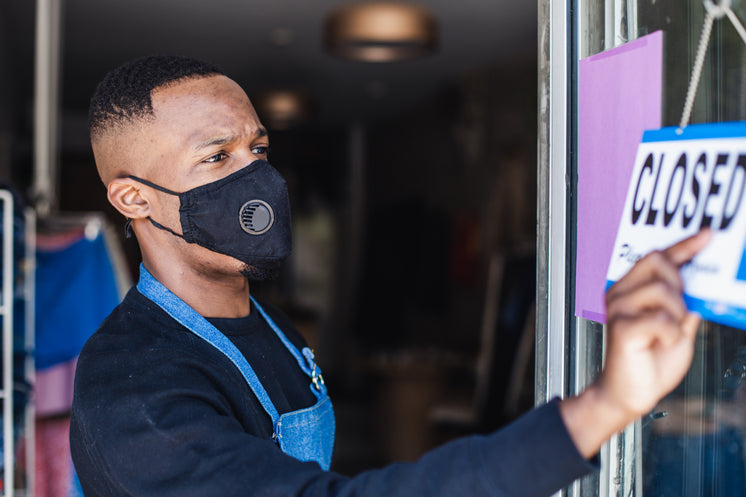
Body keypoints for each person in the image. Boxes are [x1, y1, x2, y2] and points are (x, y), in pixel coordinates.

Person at [69, 55, 712, 497]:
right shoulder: (134, 396)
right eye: (216, 157)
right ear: (134, 199)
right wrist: (603, 406)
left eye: (258, 149)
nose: (258, 179)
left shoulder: (263, 320)